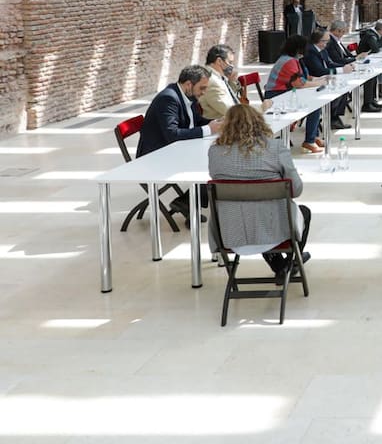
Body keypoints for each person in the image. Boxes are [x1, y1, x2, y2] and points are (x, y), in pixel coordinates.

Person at [208, 104, 312, 282]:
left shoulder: (215, 152)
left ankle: (281, 266)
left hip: (230, 234)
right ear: (259, 122)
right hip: (274, 233)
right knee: (301, 212)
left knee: (253, 213)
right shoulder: (275, 148)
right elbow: (296, 190)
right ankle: (288, 263)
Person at [138, 65, 223, 218]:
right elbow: (172, 134)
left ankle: (187, 202)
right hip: (155, 156)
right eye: (202, 88)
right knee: (211, 161)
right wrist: (209, 129)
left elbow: (196, 121)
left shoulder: (188, 96)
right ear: (189, 84)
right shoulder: (168, 98)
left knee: (216, 156)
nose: (203, 93)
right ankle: (187, 202)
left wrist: (218, 123)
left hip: (175, 149)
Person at [265, 34, 327, 154]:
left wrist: (319, 79)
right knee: (314, 105)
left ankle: (313, 137)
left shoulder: (291, 59)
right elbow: (299, 84)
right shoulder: (289, 61)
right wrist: (320, 82)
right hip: (276, 96)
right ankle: (309, 141)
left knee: (314, 103)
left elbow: (304, 78)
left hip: (284, 92)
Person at [199, 44, 271, 120]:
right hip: (223, 124)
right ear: (219, 61)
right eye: (230, 62)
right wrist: (261, 108)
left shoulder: (216, 76)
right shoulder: (212, 81)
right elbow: (231, 112)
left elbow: (228, 97)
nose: (232, 66)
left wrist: (232, 81)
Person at [304, 29, 351, 129]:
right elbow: (319, 71)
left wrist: (345, 66)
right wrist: (341, 70)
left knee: (344, 88)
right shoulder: (310, 51)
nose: (327, 43)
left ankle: (334, 117)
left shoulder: (323, 49)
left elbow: (330, 63)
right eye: (325, 41)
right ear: (318, 41)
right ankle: (332, 117)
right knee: (337, 90)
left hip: (326, 77)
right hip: (314, 80)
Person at [356, 20, 382, 113]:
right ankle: (367, 104)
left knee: (373, 77)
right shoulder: (371, 35)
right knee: (370, 79)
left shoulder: (375, 35)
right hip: (363, 61)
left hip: (369, 59)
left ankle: (371, 100)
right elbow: (376, 49)